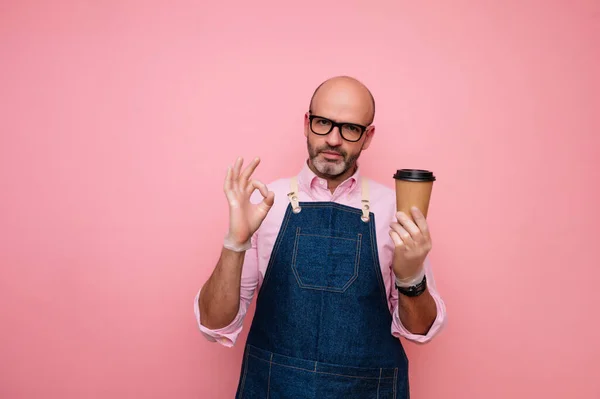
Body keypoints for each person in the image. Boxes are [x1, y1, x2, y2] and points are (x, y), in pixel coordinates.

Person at [194, 76, 447, 398]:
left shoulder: (395, 211)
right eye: (323, 123)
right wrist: (235, 243)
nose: (333, 139)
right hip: (274, 387)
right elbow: (214, 325)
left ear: (367, 137)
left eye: (350, 128)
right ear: (306, 123)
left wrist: (410, 276)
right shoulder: (264, 203)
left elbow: (420, 331)